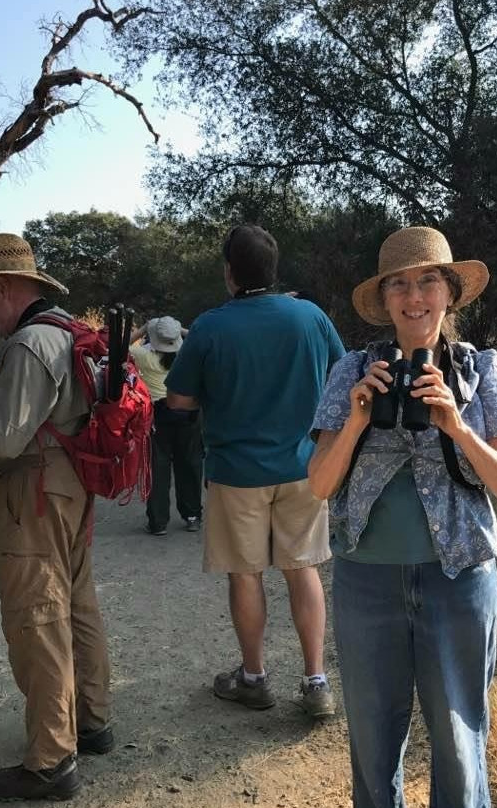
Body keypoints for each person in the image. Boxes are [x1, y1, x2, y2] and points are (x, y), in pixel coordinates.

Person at [308, 226, 497, 808]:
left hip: (459, 583)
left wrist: (456, 424)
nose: (415, 296)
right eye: (399, 285)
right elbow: (319, 484)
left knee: (460, 746)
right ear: (384, 302)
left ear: (450, 292)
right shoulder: (350, 370)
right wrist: (357, 417)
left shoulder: (484, 371)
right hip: (366, 583)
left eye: (428, 280)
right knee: (374, 746)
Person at [0, 234, 113, 802]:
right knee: (76, 604)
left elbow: (1, 437)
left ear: (3, 287)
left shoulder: (29, 343)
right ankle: (91, 721)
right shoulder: (61, 331)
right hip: (70, 485)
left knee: (36, 615)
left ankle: (50, 760)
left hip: (35, 491)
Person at [165, 224, 345, 717]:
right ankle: (315, 682)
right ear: (274, 268)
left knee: (245, 576)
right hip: (305, 468)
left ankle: (254, 677)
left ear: (229, 272)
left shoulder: (209, 326)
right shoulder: (310, 316)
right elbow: (343, 375)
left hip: (234, 471)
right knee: (301, 568)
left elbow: (179, 400)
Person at [129, 316, 203, 535]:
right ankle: (192, 515)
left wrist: (143, 329)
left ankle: (158, 521)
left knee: (157, 467)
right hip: (189, 412)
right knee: (189, 464)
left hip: (156, 414)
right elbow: (201, 338)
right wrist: (180, 330)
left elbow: (114, 346)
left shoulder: (144, 357)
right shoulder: (189, 355)